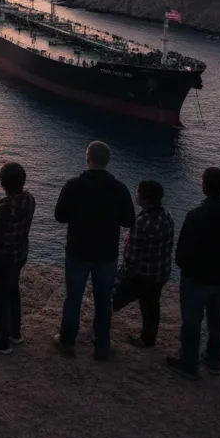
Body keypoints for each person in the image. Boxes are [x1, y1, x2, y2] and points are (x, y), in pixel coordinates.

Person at [53, 141, 136, 360]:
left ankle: (67, 343)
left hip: (78, 252)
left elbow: (60, 216)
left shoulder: (73, 185)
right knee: (104, 300)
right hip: (106, 254)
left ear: (87, 158)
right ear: (107, 161)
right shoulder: (119, 188)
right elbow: (129, 220)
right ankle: (102, 346)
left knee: (73, 299)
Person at [169, 166, 220, 379]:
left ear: (205, 187)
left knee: (191, 322)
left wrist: (185, 268)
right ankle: (213, 360)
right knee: (217, 320)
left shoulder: (196, 215)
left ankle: (189, 364)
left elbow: (182, 250)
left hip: (196, 277)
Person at [0, 162, 35, 354]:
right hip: (19, 255)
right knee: (13, 291)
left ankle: (2, 341)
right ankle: (15, 332)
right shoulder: (29, 200)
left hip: (1, 258)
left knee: (0, 298)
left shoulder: (3, 207)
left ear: (3, 184)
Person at [113, 180, 175, 348]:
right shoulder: (166, 214)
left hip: (142, 274)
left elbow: (132, 256)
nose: (135, 194)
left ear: (145, 198)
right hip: (160, 272)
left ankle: (99, 331)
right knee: (151, 305)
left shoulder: (142, 222)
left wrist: (121, 275)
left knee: (113, 299)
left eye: (137, 192)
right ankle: (148, 339)